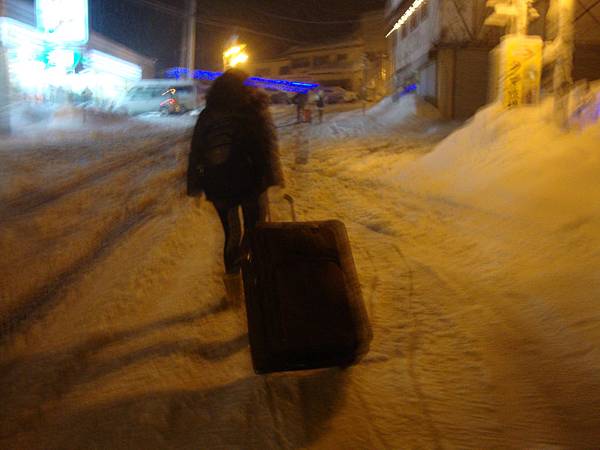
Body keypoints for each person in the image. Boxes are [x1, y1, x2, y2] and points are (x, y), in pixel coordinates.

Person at [187, 69, 284, 306]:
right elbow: (265, 147)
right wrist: (272, 177)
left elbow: (196, 152)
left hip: (219, 187)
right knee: (255, 233)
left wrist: (195, 185)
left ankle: (233, 295)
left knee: (232, 235)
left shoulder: (208, 115)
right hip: (251, 184)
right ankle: (257, 287)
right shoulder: (251, 111)